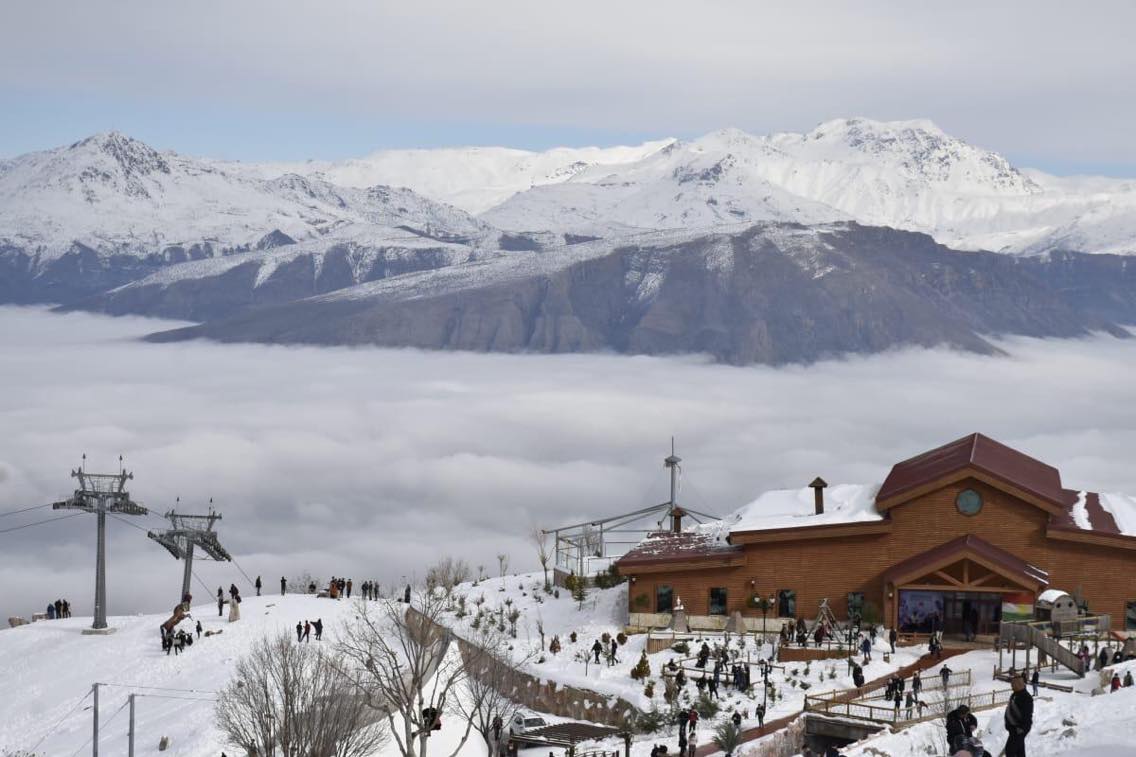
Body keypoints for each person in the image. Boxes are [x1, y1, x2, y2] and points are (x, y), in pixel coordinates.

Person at [1003, 673, 1033, 757]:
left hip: (1018, 730)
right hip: (1013, 729)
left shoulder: (1026, 697)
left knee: (1010, 751)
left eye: (1013, 684)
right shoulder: (1014, 694)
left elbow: (1027, 716)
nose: (1011, 686)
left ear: (1019, 684)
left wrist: (1021, 729)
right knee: (1020, 751)